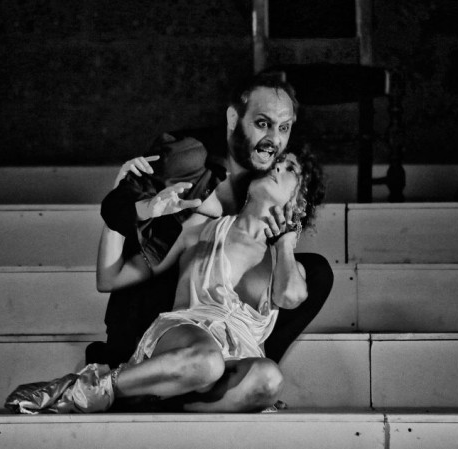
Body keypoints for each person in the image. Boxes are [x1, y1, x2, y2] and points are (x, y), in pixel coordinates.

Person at [5, 146, 325, 414]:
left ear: (299, 200)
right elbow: (110, 277)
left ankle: (151, 396)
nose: (277, 166)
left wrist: (284, 243)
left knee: (269, 378)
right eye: (278, 161)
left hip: (235, 361)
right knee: (207, 362)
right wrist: (122, 205)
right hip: (186, 337)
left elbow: (290, 296)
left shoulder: (287, 265)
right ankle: (82, 388)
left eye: (290, 169)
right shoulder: (201, 227)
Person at [87, 71, 334, 370]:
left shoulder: (268, 172)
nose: (275, 139)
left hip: (224, 317)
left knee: (316, 272)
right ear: (233, 118)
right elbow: (120, 212)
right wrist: (129, 200)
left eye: (284, 128)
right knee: (186, 248)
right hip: (159, 303)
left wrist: (286, 240)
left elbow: (285, 286)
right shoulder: (186, 156)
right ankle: (133, 362)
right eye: (262, 123)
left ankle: (247, 369)